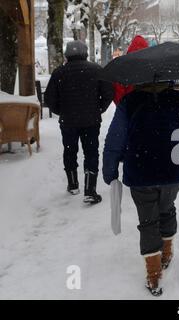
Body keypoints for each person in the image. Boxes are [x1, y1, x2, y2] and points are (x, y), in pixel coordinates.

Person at [103, 81, 179, 296]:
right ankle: (167, 252)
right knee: (167, 207)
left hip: (140, 170)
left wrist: (110, 170)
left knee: (148, 220)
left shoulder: (129, 101)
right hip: (173, 170)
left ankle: (154, 276)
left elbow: (115, 140)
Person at [45, 40, 114, 204]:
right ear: (85, 53)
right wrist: (99, 109)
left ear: (67, 55)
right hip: (91, 120)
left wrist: (61, 111)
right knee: (91, 152)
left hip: (68, 121)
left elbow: (49, 99)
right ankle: (90, 190)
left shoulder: (59, 73)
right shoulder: (97, 70)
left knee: (70, 150)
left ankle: (73, 184)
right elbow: (108, 93)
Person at [112, 35, 149, 106]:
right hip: (148, 109)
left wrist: (123, 107)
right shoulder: (151, 67)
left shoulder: (122, 68)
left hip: (128, 108)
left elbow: (118, 93)